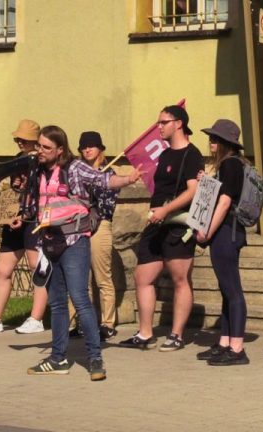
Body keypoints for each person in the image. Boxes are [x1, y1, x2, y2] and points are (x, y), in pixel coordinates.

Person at [26, 125, 141, 381]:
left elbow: (103, 180)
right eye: (39, 146)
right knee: (57, 304)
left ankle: (95, 357)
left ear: (60, 150)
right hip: (50, 241)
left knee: (80, 298)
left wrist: (128, 179)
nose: (40, 151)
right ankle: (58, 358)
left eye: (46, 147)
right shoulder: (38, 169)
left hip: (74, 240)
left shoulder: (75, 168)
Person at [120, 105, 204, 352]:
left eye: (163, 122)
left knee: (180, 279)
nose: (158, 127)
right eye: (158, 123)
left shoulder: (192, 154)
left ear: (178, 123)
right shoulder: (165, 155)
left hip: (177, 224)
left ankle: (176, 335)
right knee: (142, 277)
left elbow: (193, 191)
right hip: (155, 223)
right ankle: (145, 333)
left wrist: (166, 211)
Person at [0, 119, 48, 334]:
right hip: (15, 222)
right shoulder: (17, 161)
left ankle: (36, 318)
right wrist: (0, 210)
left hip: (34, 221)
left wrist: (24, 215)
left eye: (24, 139)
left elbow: (41, 195)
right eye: (17, 139)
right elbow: (13, 192)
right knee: (2, 269)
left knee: (36, 269)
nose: (19, 142)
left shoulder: (43, 165)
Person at [194, 119, 249, 366]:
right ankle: (225, 342)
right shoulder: (231, 165)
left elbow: (225, 202)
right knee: (227, 291)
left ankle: (237, 348)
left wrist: (206, 231)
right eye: (211, 137)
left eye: (216, 139)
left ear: (227, 143)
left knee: (233, 291)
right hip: (229, 232)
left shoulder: (230, 165)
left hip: (227, 232)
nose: (211, 142)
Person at [67, 131, 120, 341]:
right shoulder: (75, 171)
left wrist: (93, 183)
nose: (87, 150)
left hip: (100, 225)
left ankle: (107, 323)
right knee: (79, 278)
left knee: (102, 277)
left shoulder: (109, 171)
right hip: (78, 225)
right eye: (83, 147)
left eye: (91, 146)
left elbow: (107, 203)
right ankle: (75, 322)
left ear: (100, 149)